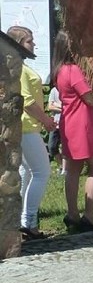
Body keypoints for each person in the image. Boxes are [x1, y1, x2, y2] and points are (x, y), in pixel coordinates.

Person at [7, 26, 56, 240]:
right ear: (18, 44)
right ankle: (29, 222)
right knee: (42, 172)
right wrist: (45, 119)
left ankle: (22, 221)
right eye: (29, 41)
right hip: (26, 127)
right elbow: (26, 101)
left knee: (28, 172)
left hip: (26, 126)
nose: (33, 44)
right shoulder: (20, 69)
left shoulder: (21, 67)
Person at [52, 30, 93, 233]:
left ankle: (72, 213)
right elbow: (88, 96)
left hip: (68, 121)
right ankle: (89, 216)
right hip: (83, 122)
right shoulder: (73, 69)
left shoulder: (58, 69)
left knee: (72, 170)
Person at [47, 85, 65, 173]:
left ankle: (65, 169)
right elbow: (50, 106)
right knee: (52, 147)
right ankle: (62, 165)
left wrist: (56, 105)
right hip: (56, 124)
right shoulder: (54, 90)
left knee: (66, 148)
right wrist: (63, 107)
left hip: (67, 124)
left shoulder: (69, 90)